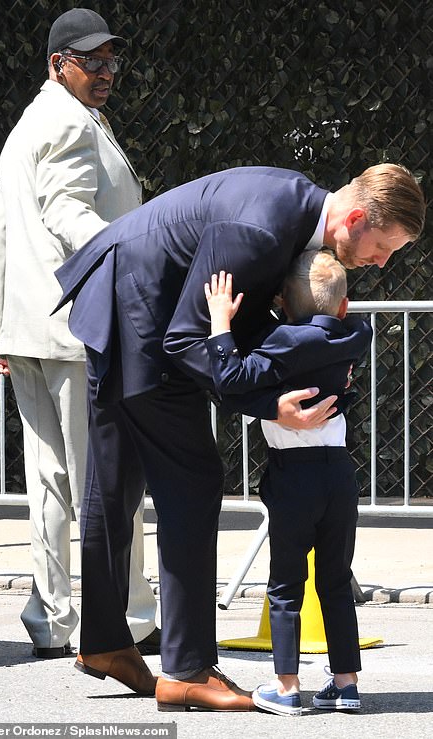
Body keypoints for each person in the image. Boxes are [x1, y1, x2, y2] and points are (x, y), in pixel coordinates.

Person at [54, 163, 425, 711]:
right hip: (143, 315)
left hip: (128, 296)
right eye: (381, 246)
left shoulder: (292, 216)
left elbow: (238, 324)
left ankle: (106, 642)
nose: (381, 261)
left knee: (113, 481)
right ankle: (189, 670)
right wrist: (270, 407)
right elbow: (186, 339)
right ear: (352, 218)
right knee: (195, 480)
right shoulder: (265, 231)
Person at [0, 8, 158, 665]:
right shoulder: (66, 122)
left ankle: (52, 619)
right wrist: (138, 262)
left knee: (53, 484)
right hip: (80, 331)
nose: (105, 71)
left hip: (34, 332)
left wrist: (4, 329)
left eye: (112, 60)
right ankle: (129, 620)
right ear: (57, 63)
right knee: (110, 483)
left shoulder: (26, 126)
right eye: (91, 60)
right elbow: (66, 212)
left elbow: (2, 233)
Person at [204, 254, 372, 715]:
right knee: (335, 579)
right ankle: (346, 683)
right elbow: (330, 318)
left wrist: (222, 321)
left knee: (285, 585)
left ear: (281, 303)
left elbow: (230, 377)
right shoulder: (356, 334)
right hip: (339, 473)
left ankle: (287, 685)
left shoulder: (278, 342)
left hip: (293, 473)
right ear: (343, 306)